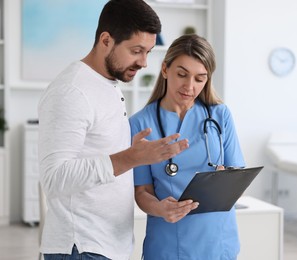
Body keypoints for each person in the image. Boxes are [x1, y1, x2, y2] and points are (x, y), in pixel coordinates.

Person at [38, 0, 189, 259]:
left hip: (104, 246)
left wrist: (130, 152)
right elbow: (54, 178)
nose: (143, 62)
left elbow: (98, 156)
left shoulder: (108, 84)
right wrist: (132, 157)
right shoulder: (72, 91)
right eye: (136, 50)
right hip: (81, 248)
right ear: (106, 40)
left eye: (148, 52)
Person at [129, 34, 246, 260]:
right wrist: (160, 208)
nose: (189, 87)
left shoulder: (220, 115)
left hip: (218, 241)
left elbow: (238, 173)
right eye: (182, 74)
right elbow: (142, 192)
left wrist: (226, 180)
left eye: (200, 78)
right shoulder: (140, 124)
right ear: (165, 69)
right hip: (169, 243)